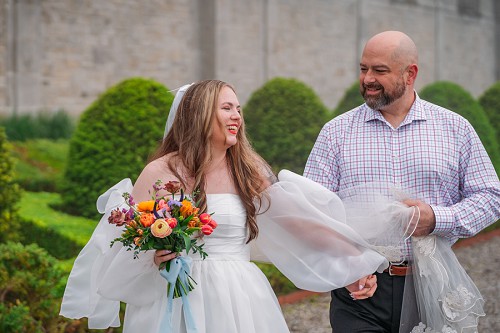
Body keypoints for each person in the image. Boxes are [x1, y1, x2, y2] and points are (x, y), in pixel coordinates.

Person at [60, 80, 419, 333]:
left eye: (239, 109)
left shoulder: (249, 172)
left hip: (240, 299)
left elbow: (302, 225)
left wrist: (357, 262)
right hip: (172, 299)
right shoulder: (161, 172)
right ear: (200, 114)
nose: (237, 116)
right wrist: (154, 256)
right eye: (227, 107)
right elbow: (122, 243)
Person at [304, 30, 500, 332]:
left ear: (411, 74)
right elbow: (311, 212)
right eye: (363, 68)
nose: (368, 78)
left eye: (379, 70)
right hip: (359, 292)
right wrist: (346, 265)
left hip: (433, 285)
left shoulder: (455, 128)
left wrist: (436, 218)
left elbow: (490, 196)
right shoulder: (335, 133)